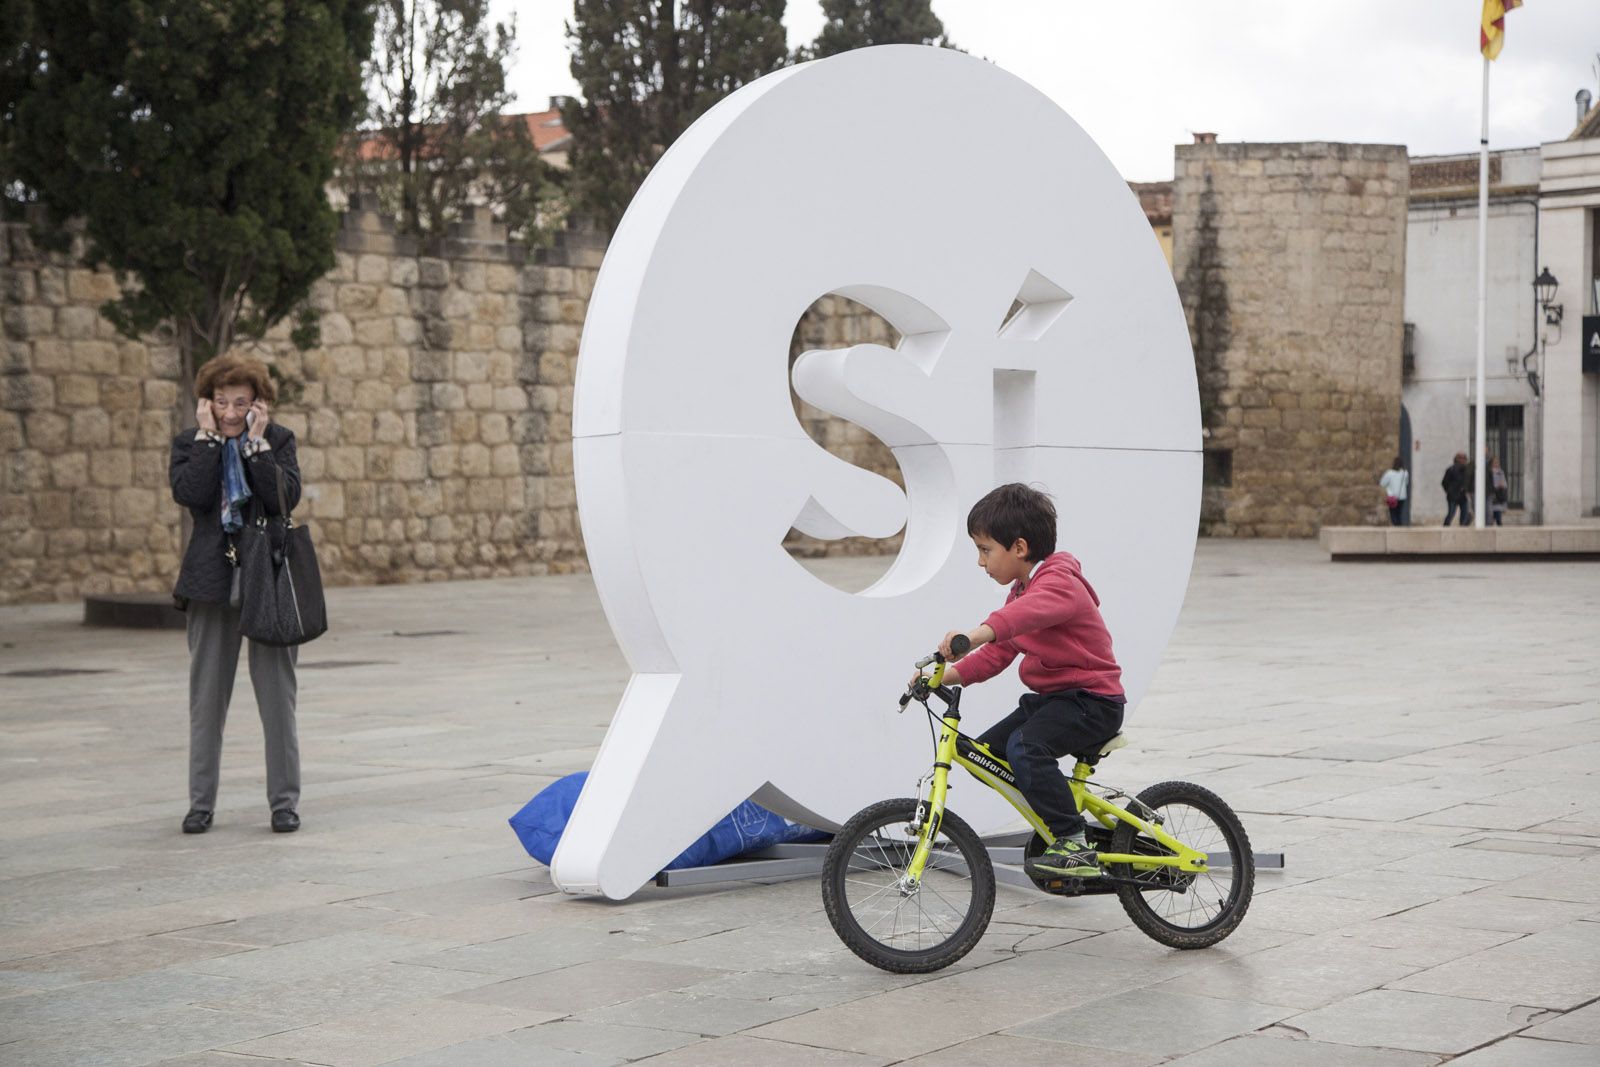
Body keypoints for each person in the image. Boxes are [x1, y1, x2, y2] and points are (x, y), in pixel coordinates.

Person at [928, 483, 1125, 879]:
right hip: (1058, 701)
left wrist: (976, 632)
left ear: (1018, 547)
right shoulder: (1022, 592)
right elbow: (998, 654)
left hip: (1093, 702)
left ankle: (1073, 839)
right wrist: (942, 677)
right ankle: (1053, 820)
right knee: (985, 752)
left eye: (985, 550)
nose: (981, 562)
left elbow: (1018, 619)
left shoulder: (1058, 582)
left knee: (1025, 746)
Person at [169, 354, 303, 835]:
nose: (229, 412)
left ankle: (284, 803)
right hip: (210, 584)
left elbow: (284, 497)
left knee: (277, 700)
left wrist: (256, 446)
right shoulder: (190, 444)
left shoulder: (278, 441)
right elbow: (194, 495)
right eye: (220, 402)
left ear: (257, 404)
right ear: (207, 403)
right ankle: (200, 804)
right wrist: (209, 440)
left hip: (266, 581)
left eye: (239, 402)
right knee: (205, 700)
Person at [1441, 452, 1472, 527]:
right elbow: (1444, 482)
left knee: (1464, 512)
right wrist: (1449, 490)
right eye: (1462, 458)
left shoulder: (1467, 470)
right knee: (1451, 513)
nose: (1464, 460)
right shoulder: (1451, 469)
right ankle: (1446, 526)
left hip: (1462, 495)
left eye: (1465, 458)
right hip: (1453, 495)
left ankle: (1463, 526)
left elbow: (1468, 481)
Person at [1379, 457, 1408, 527]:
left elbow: (1382, 483)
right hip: (1402, 496)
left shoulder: (1389, 473)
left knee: (1393, 514)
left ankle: (1396, 528)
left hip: (1392, 497)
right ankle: (1399, 528)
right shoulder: (1405, 473)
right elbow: (1406, 483)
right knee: (1399, 513)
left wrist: (1389, 488)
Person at [1489, 455, 1509, 526]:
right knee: (1490, 518)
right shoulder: (1489, 472)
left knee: (1498, 517)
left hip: (1499, 497)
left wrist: (1502, 485)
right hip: (1492, 497)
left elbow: (1505, 484)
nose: (1496, 464)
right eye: (1495, 463)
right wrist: (1496, 486)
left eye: (1497, 463)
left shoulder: (1501, 472)